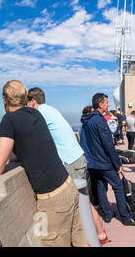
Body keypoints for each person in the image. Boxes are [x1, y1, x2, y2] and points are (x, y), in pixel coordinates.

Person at [0, 80, 88, 247]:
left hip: (53, 199)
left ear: (5, 100)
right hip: (67, 185)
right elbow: (23, 150)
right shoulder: (35, 114)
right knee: (81, 242)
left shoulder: (9, 120)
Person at [26, 87, 109, 245]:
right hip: (77, 158)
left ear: (32, 102)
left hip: (71, 162)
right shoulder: (50, 110)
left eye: (27, 104)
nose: (26, 108)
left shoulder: (40, 112)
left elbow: (32, 137)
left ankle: (98, 235)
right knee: (83, 201)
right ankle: (99, 234)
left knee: (81, 203)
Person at [80, 93, 135, 226]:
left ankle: (107, 215)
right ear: (100, 104)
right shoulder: (99, 120)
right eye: (106, 102)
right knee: (118, 187)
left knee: (100, 186)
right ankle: (125, 217)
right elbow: (108, 144)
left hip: (92, 162)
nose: (108, 105)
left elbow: (84, 143)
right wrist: (117, 163)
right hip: (103, 162)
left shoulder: (86, 121)